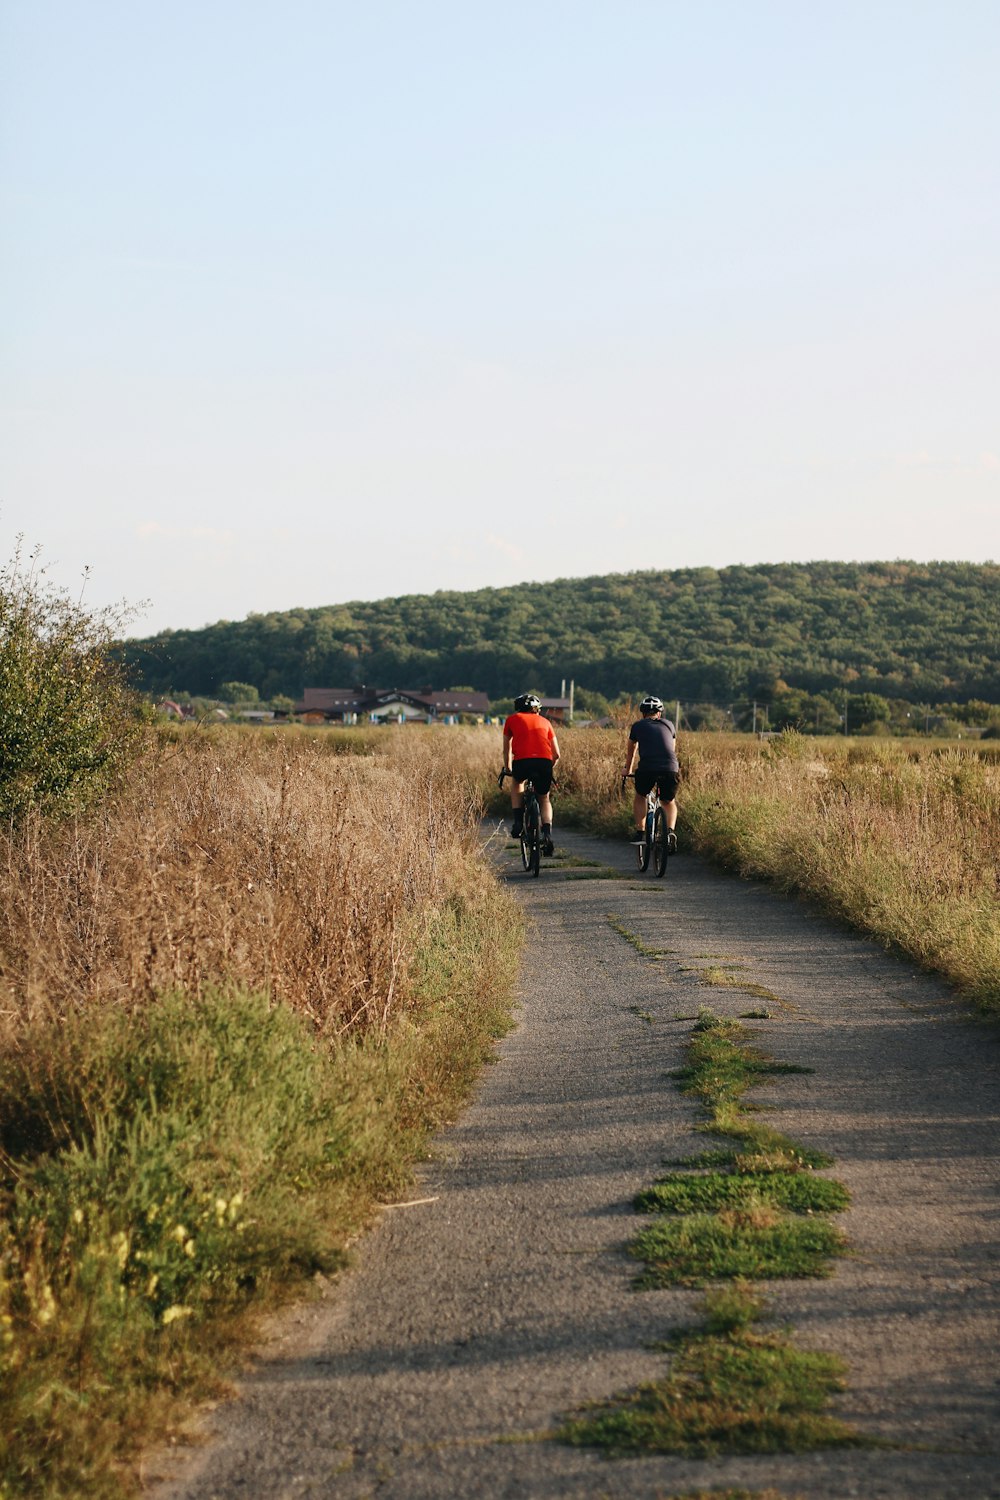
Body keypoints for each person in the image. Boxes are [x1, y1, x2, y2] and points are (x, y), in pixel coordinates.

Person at [502, 692, 560, 855]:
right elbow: (557, 754)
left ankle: (518, 822)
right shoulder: (546, 722)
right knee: (544, 798)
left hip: (522, 763)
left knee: (517, 782)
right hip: (544, 763)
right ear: (536, 709)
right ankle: (547, 833)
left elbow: (507, 748)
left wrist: (508, 768)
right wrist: (550, 766)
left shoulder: (511, 720)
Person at [622, 695, 679, 849]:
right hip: (670, 768)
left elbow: (631, 752)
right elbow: (671, 749)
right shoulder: (669, 725)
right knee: (668, 801)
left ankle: (640, 832)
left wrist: (627, 770)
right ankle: (670, 832)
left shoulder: (638, 726)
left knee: (640, 796)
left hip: (647, 768)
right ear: (659, 713)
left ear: (643, 713)